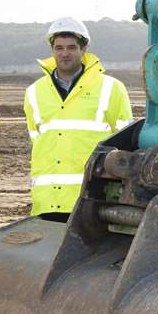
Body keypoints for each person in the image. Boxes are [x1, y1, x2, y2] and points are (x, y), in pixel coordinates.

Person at [24, 17, 132, 221]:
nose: (65, 53)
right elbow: (38, 141)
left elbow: (124, 144)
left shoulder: (111, 88)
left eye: (72, 47)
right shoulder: (33, 92)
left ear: (84, 50)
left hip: (93, 198)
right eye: (59, 47)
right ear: (52, 50)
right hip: (47, 201)